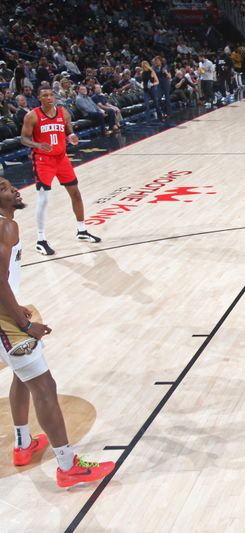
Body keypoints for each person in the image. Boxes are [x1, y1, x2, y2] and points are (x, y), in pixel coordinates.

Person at [0, 178, 114, 487]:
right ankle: (68, 466)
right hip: (5, 322)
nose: (11, 188)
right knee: (44, 387)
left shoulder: (6, 224)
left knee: (21, 378)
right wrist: (23, 324)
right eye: (2, 187)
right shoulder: (5, 227)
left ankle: (23, 444)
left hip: (7, 313)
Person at [20, 87, 101, 256]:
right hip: (43, 160)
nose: (49, 97)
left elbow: (69, 131)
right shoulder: (32, 115)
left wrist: (71, 137)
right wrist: (37, 145)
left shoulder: (64, 112)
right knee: (44, 199)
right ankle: (41, 240)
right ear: (39, 98)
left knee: (76, 193)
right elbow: (24, 138)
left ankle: (82, 230)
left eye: (51, 94)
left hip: (62, 158)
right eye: (45, 95)